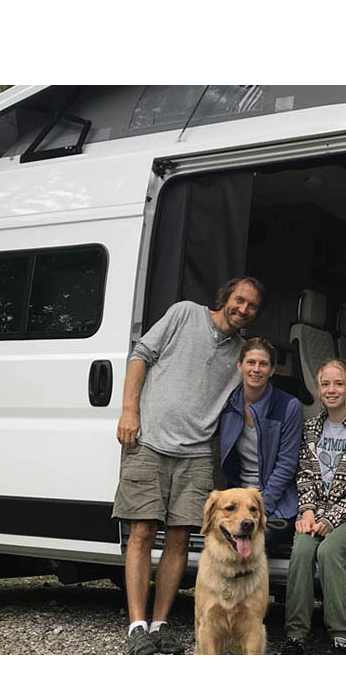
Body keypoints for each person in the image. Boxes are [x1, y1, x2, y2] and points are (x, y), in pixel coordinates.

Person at [112, 276, 264, 655]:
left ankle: (160, 625)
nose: (243, 309)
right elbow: (140, 356)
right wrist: (129, 410)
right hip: (149, 440)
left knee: (180, 538)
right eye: (239, 300)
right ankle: (136, 628)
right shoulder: (184, 314)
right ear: (225, 297)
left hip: (196, 452)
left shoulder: (241, 353)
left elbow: (253, 388)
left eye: (252, 306)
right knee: (142, 532)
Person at [282, 359, 346, 654]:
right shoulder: (311, 428)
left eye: (338, 384)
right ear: (318, 389)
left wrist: (331, 519)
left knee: (328, 552)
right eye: (325, 384)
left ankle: (340, 635)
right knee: (301, 552)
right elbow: (305, 475)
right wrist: (308, 511)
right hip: (315, 512)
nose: (331, 390)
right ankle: (295, 634)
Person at [219, 337, 303, 550]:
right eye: (251, 362)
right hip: (238, 500)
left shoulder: (288, 406)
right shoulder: (228, 404)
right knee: (218, 543)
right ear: (240, 366)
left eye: (263, 364)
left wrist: (261, 508)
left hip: (276, 503)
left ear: (272, 370)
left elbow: (286, 465)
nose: (256, 369)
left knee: (251, 543)